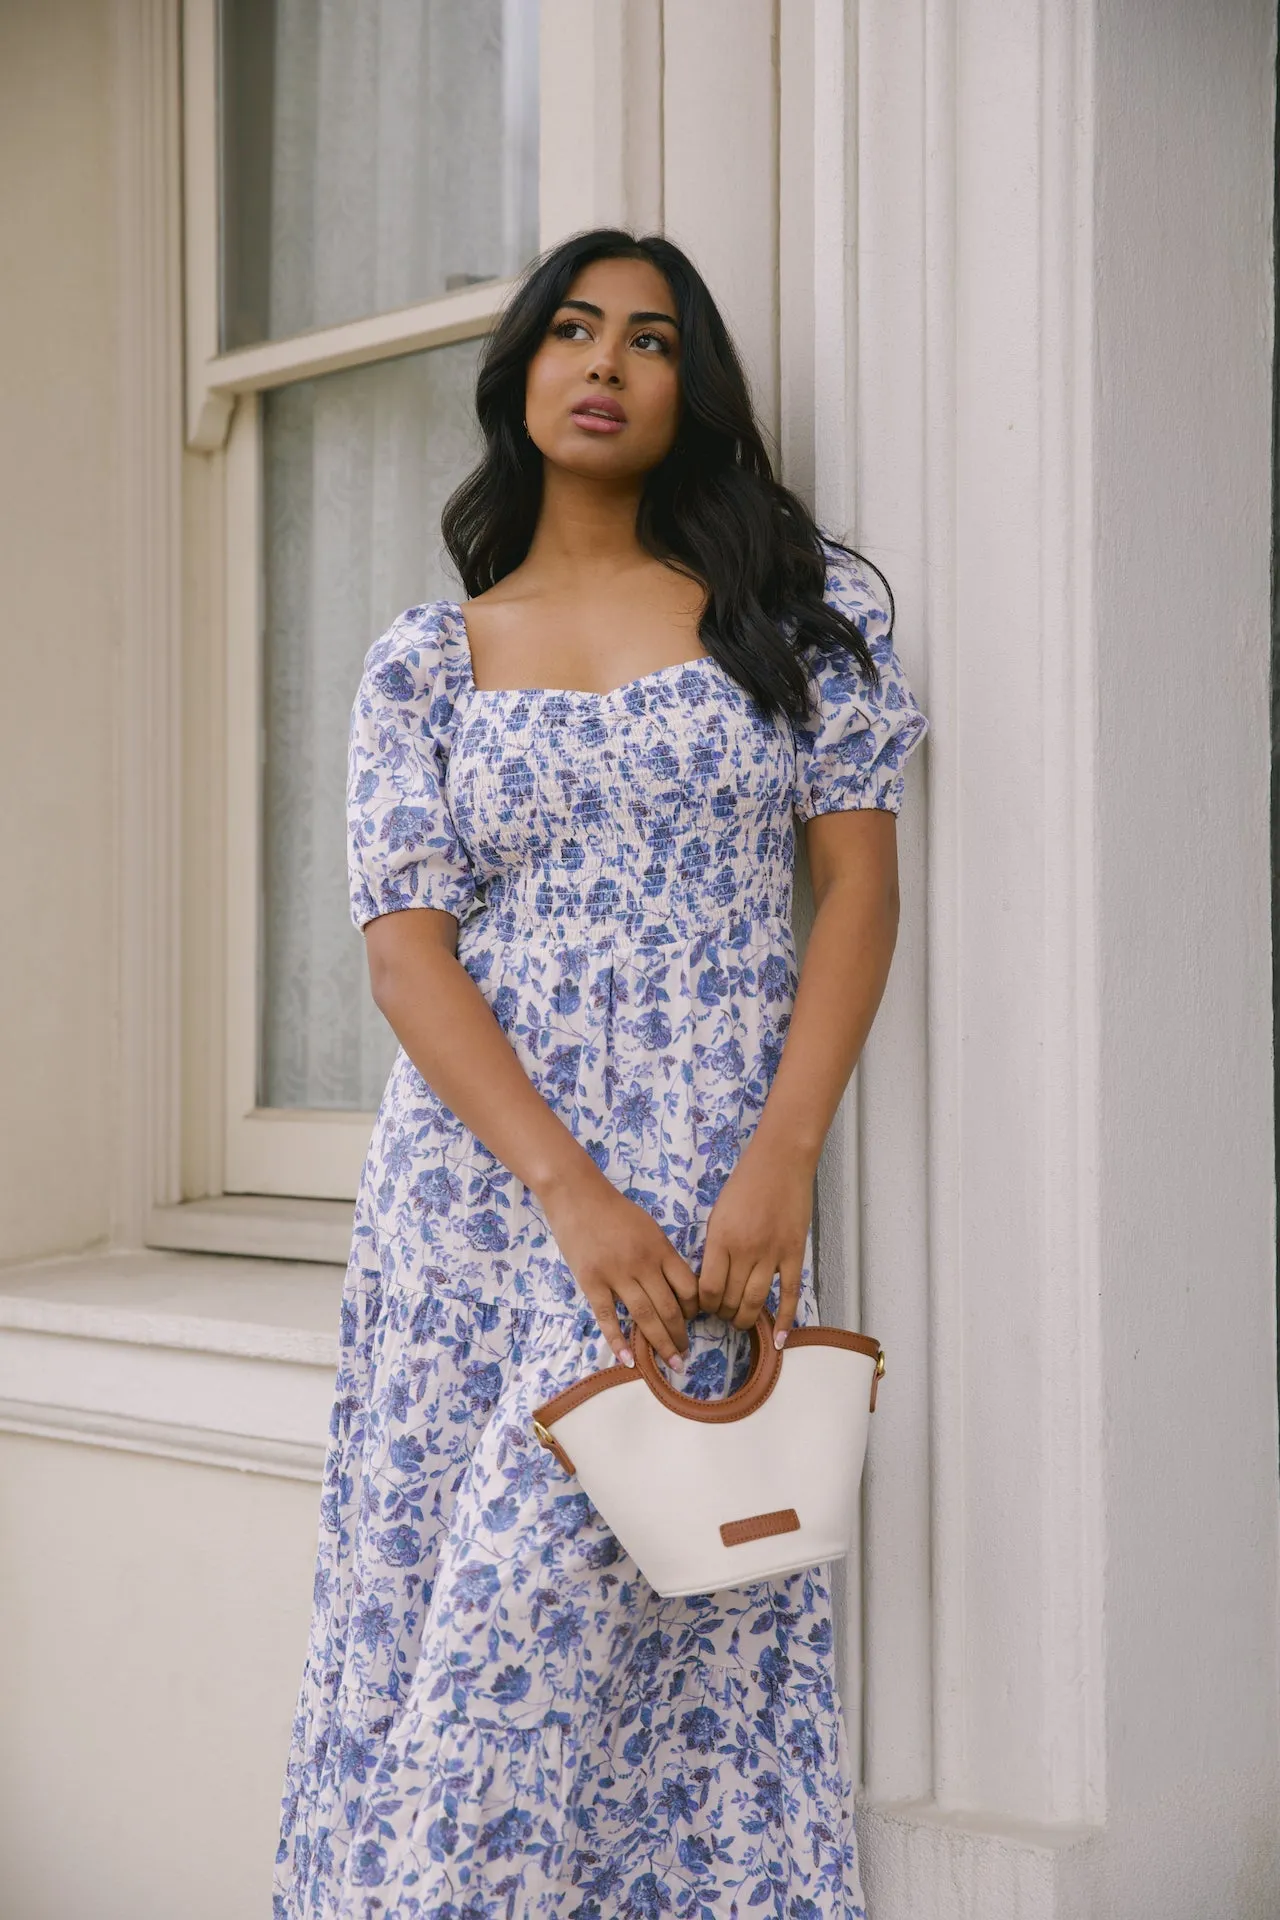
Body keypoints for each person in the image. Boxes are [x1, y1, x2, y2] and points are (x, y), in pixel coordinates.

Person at [273, 227, 927, 1920]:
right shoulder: (429, 657)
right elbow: (405, 948)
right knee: (478, 1650)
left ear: (688, 390)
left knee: (672, 1631)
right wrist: (568, 1194)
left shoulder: (798, 618)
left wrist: (783, 1156)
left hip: (714, 1201)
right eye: (573, 330)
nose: (606, 363)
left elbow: (857, 885)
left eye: (649, 339)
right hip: (487, 1216)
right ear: (522, 374)